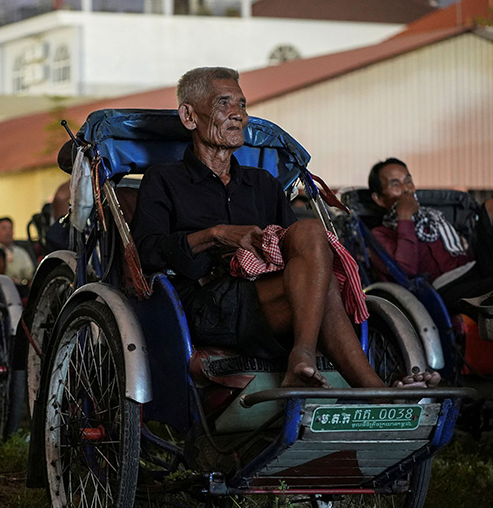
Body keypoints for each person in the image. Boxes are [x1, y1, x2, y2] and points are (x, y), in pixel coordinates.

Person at [132, 66, 437, 389]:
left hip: (265, 297)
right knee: (321, 287)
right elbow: (147, 254)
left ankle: (321, 365)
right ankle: (373, 388)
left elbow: (305, 256)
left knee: (312, 236)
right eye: (224, 103)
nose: (239, 114)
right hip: (205, 305)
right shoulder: (163, 180)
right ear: (189, 116)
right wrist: (215, 235)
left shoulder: (262, 183)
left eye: (242, 105)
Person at [368, 157, 493, 312]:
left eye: (408, 181)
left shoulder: (433, 217)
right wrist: (405, 216)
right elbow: (407, 270)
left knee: (490, 206)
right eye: (395, 184)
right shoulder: (380, 234)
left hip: (473, 267)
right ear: (379, 199)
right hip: (445, 288)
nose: (406, 189)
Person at [0, 217, 35, 284]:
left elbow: (29, 274)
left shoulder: (21, 252)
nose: (8, 232)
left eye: (10, 228)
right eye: (4, 228)